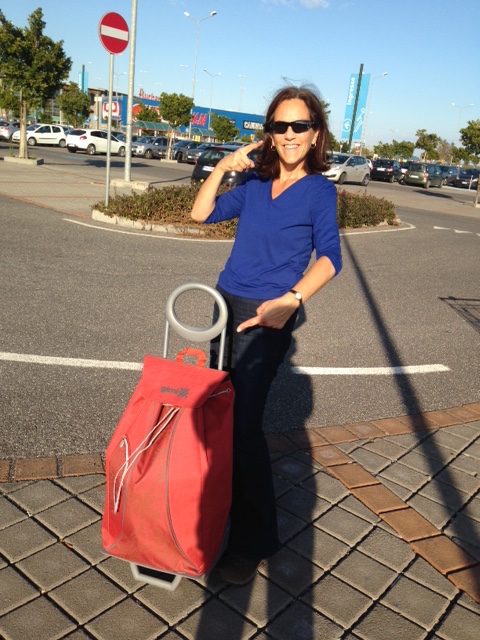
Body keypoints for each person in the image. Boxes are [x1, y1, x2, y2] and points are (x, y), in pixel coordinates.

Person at [190, 85, 342, 585]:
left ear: (315, 133)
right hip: (225, 304)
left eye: (300, 125)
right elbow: (201, 214)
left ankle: (254, 539)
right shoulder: (256, 183)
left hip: (269, 315)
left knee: (242, 426)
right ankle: (222, 510)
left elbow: (330, 258)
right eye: (280, 125)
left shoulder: (319, 191)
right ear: (269, 134)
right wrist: (221, 167)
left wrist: (290, 301)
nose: (290, 134)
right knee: (218, 413)